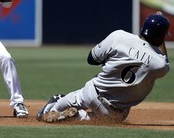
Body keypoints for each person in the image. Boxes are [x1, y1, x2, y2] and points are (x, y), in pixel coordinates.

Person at [36, 12, 170, 123]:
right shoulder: (158, 64)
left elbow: (92, 59)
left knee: (52, 111)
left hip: (91, 93)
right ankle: (78, 116)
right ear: (161, 37)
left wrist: (113, 61)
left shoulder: (119, 36)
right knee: (98, 120)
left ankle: (52, 107)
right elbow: (164, 62)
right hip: (113, 112)